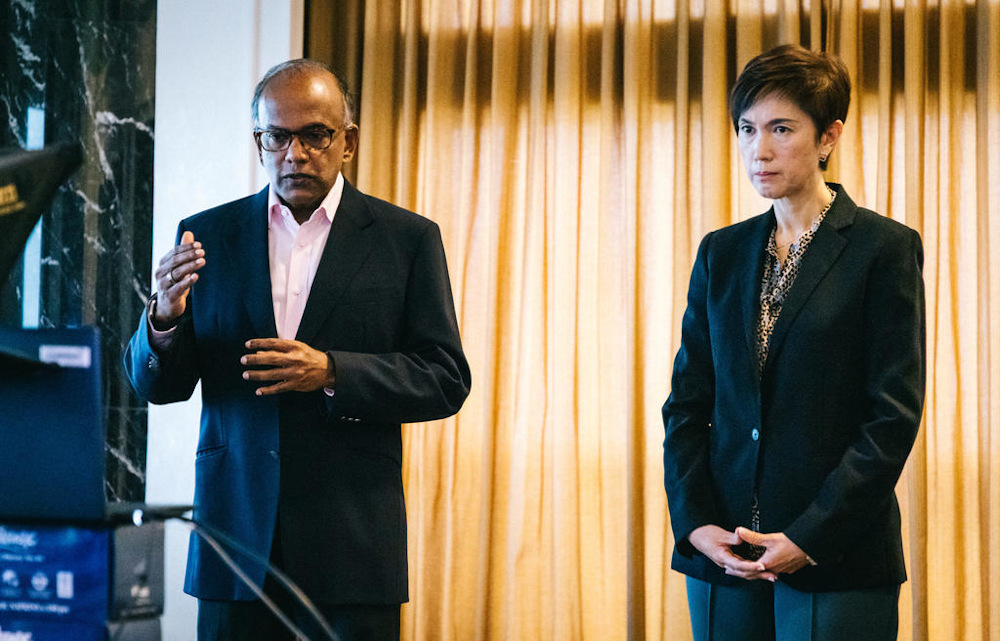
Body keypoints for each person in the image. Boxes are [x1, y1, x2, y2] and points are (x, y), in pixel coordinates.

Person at [124, 59, 471, 641]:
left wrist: (332, 371)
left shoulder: (406, 240)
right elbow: (158, 386)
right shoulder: (208, 236)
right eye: (277, 137)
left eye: (315, 135)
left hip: (353, 546)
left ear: (348, 141)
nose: (295, 154)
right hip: (235, 539)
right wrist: (164, 315)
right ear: (259, 142)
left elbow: (444, 378)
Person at [662, 44, 925, 640]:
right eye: (747, 129)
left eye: (781, 128)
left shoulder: (883, 249)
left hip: (836, 555)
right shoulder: (721, 252)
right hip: (723, 554)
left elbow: (891, 417)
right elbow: (687, 403)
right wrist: (695, 524)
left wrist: (809, 536)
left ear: (828, 136)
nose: (759, 149)